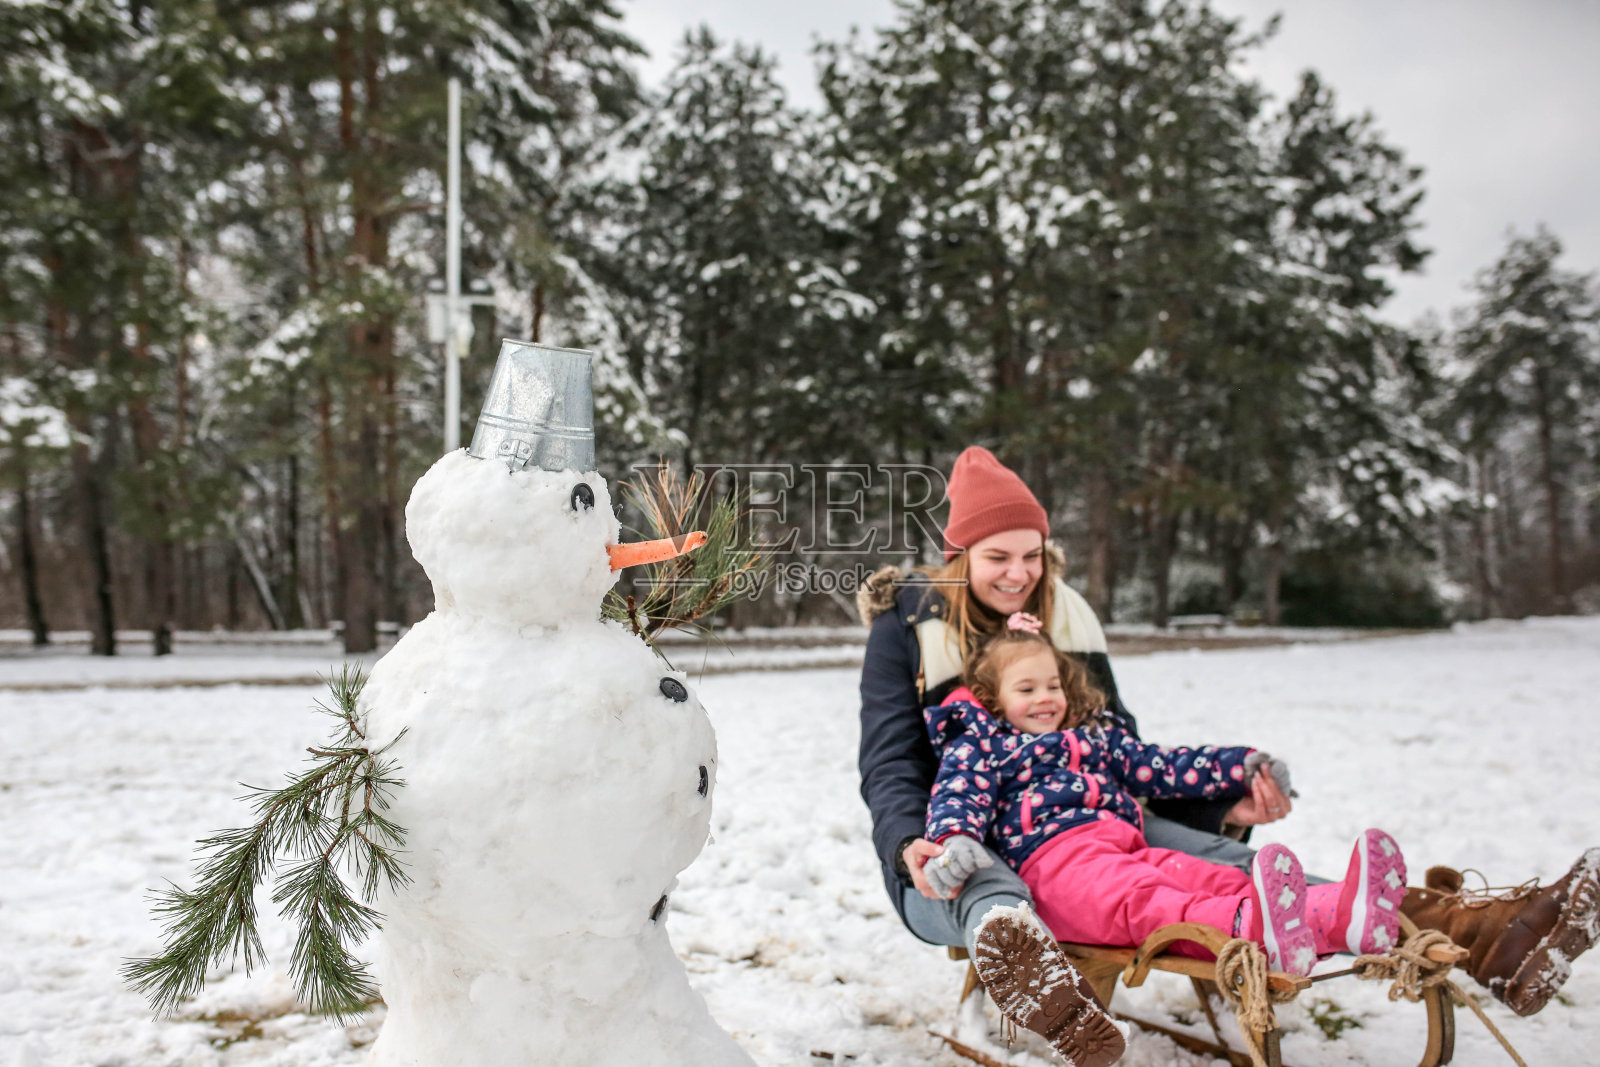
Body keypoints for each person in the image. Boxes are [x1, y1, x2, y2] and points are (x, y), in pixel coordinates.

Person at [856, 445, 1598, 1038]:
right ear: (961, 557)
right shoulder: (909, 627)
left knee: (1239, 863)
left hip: (1104, 821)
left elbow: (1123, 756)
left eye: (1033, 555)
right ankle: (1038, 974)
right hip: (965, 846)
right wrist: (911, 843)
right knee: (1037, 887)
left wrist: (1225, 802)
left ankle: (1483, 934)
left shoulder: (1065, 617)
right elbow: (891, 761)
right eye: (998, 557)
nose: (1019, 573)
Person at [922, 620, 1408, 1064]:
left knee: (1212, 877)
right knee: (1151, 903)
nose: (1045, 697)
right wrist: (954, 839)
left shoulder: (1094, 739)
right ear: (990, 697)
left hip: (1127, 848)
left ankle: (1337, 917)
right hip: (1059, 867)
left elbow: (1165, 765)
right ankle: (1251, 931)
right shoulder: (982, 746)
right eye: (1026, 689)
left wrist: (1240, 766)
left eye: (1053, 685)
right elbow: (957, 796)